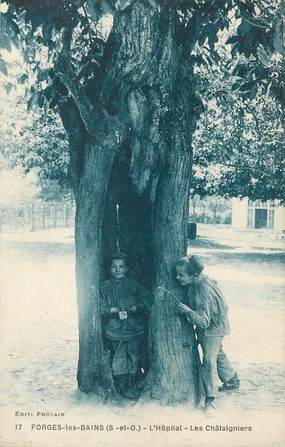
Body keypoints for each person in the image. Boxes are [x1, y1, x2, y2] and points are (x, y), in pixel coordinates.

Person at [175, 255, 239, 410]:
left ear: (194, 275)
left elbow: (204, 321)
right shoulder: (198, 281)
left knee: (209, 359)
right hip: (214, 326)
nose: (177, 278)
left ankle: (210, 398)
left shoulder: (204, 289)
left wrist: (189, 312)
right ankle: (231, 380)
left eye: (181, 275)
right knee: (218, 353)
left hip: (213, 328)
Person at [100, 252, 149, 400]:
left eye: (121, 267)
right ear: (109, 268)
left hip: (133, 326)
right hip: (115, 327)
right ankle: (122, 385)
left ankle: (132, 381)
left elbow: (145, 297)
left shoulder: (132, 284)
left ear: (126, 268)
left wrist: (137, 307)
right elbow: (100, 305)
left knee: (133, 354)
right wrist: (110, 310)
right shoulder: (105, 286)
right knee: (119, 355)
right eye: (114, 267)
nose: (117, 270)